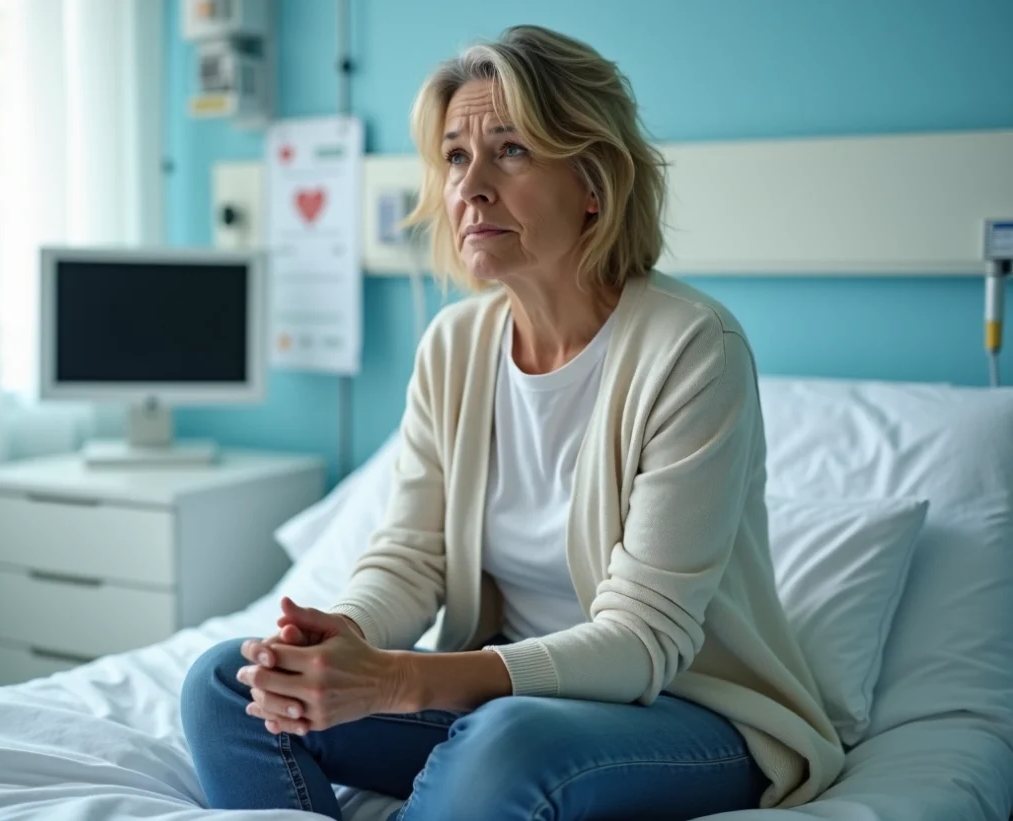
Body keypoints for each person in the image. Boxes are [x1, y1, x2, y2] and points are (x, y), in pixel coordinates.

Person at [180, 24, 844, 821]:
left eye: (513, 150)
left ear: (594, 181)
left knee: (506, 741)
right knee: (230, 685)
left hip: (686, 715)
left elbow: (642, 642)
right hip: (495, 704)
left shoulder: (692, 347)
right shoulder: (455, 346)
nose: (470, 186)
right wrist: (345, 640)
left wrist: (400, 679)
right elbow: (412, 556)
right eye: (457, 156)